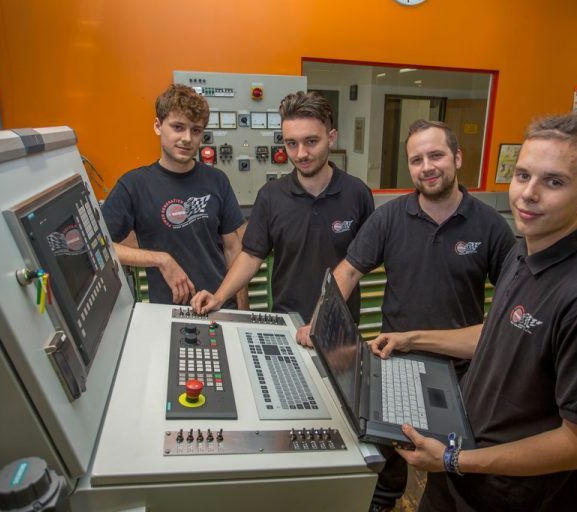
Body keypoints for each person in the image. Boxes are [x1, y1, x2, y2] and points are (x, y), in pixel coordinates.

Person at [376, 112, 577, 511]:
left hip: (512, 496)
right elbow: (496, 334)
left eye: (553, 182)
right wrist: (410, 338)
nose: (528, 193)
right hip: (461, 474)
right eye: (522, 175)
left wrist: (454, 460)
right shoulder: (522, 253)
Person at [332, 119, 516, 511]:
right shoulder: (389, 218)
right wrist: (321, 321)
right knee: (385, 468)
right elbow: (347, 271)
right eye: (417, 159)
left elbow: (512, 309)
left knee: (454, 475)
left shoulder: (490, 226)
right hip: (395, 361)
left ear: (457, 157)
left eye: (436, 155)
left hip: (463, 372)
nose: (427, 167)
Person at [191, 91, 374, 342]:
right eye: (291, 143)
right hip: (286, 322)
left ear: (331, 138)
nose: (300, 154)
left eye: (311, 141)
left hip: (340, 326)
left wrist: (325, 319)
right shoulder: (270, 196)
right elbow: (251, 256)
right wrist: (219, 296)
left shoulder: (358, 194)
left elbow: (361, 263)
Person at [102, 84, 247, 307]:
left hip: (219, 305)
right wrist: (161, 259)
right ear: (158, 126)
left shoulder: (217, 180)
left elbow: (233, 249)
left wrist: (242, 310)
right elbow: (99, 246)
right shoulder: (134, 185)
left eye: (196, 130)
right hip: (168, 311)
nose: (187, 138)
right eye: (178, 127)